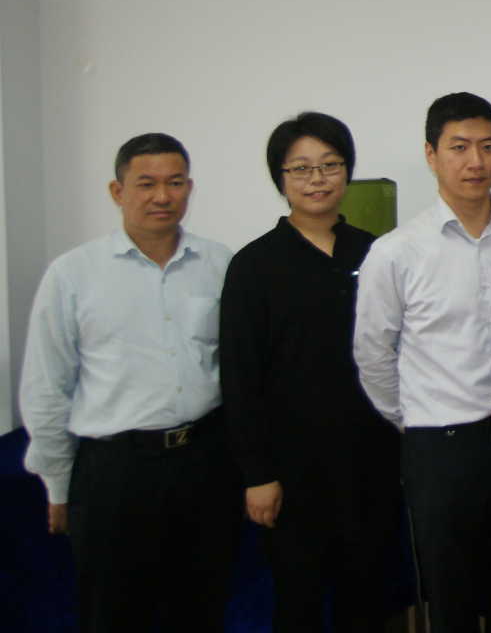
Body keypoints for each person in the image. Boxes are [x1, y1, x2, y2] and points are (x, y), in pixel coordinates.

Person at [19, 133, 239, 633]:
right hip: (117, 474)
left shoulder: (220, 264)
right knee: (114, 615)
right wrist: (57, 484)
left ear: (189, 188)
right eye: (146, 184)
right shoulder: (73, 274)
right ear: (117, 191)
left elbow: (238, 366)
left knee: (201, 609)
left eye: (175, 182)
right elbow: (47, 386)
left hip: (206, 464)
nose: (162, 196)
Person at [353, 92, 491, 633]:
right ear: (430, 154)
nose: (475, 161)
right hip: (439, 449)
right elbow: (372, 353)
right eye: (459, 147)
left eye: (487, 147)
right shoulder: (395, 252)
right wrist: (415, 418)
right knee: (450, 599)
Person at [220, 112, 401, 632]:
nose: (317, 179)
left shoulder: (376, 253)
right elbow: (240, 376)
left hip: (368, 463)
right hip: (291, 472)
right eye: (301, 168)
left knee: (365, 602)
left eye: (330, 165)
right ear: (281, 178)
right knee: (297, 604)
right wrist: (258, 474)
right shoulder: (254, 265)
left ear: (347, 171)